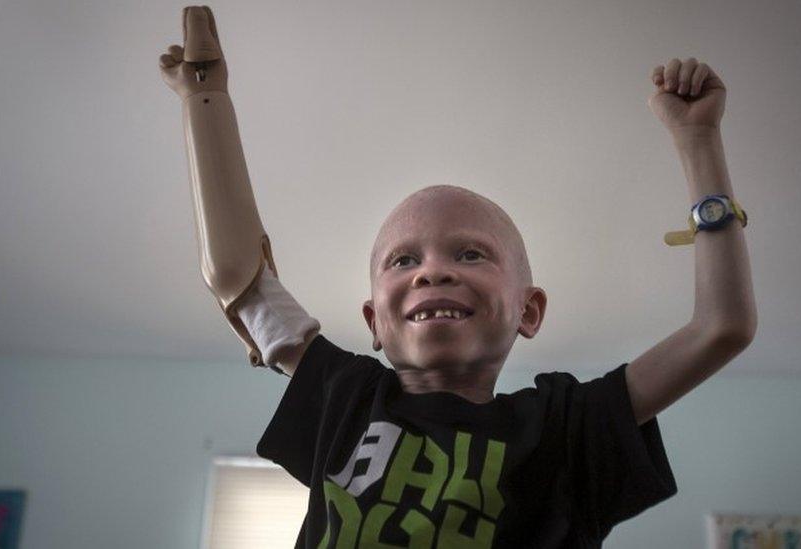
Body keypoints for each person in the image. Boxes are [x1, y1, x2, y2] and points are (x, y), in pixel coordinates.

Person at [160, 6, 756, 548]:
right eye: (403, 261)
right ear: (374, 321)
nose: (433, 271)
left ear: (529, 310)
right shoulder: (346, 400)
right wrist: (206, 100)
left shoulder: (564, 430)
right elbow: (243, 283)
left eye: (471, 254)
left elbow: (720, 328)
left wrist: (698, 140)